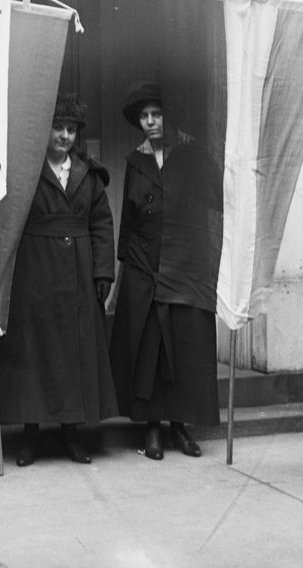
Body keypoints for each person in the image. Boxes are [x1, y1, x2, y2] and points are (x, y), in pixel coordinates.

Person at [0, 93, 117, 466]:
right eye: (58, 128)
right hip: (34, 270)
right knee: (33, 352)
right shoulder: (26, 172)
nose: (64, 136)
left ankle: (71, 433)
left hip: (79, 273)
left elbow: (102, 223)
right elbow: (7, 221)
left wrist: (102, 271)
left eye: (70, 129)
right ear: (45, 131)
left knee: (73, 353)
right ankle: (30, 436)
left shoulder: (88, 174)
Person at [110, 82, 220, 461]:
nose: (151, 122)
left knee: (185, 346)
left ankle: (181, 428)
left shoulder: (193, 156)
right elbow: (127, 220)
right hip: (144, 268)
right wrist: (120, 274)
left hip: (186, 265)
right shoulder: (135, 162)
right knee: (149, 349)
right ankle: (152, 428)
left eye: (156, 114)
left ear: (168, 116)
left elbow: (214, 206)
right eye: (144, 116)